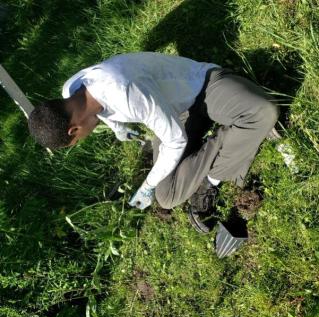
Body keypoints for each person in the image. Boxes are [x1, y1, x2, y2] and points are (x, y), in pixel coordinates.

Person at [28, 52, 279, 233]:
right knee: (168, 196)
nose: (83, 139)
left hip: (203, 87)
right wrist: (119, 128)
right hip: (174, 111)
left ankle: (214, 173)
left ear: (73, 129)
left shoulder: (127, 94)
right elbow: (98, 110)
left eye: (77, 140)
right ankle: (234, 135)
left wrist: (147, 185)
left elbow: (175, 140)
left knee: (263, 112)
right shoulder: (70, 91)